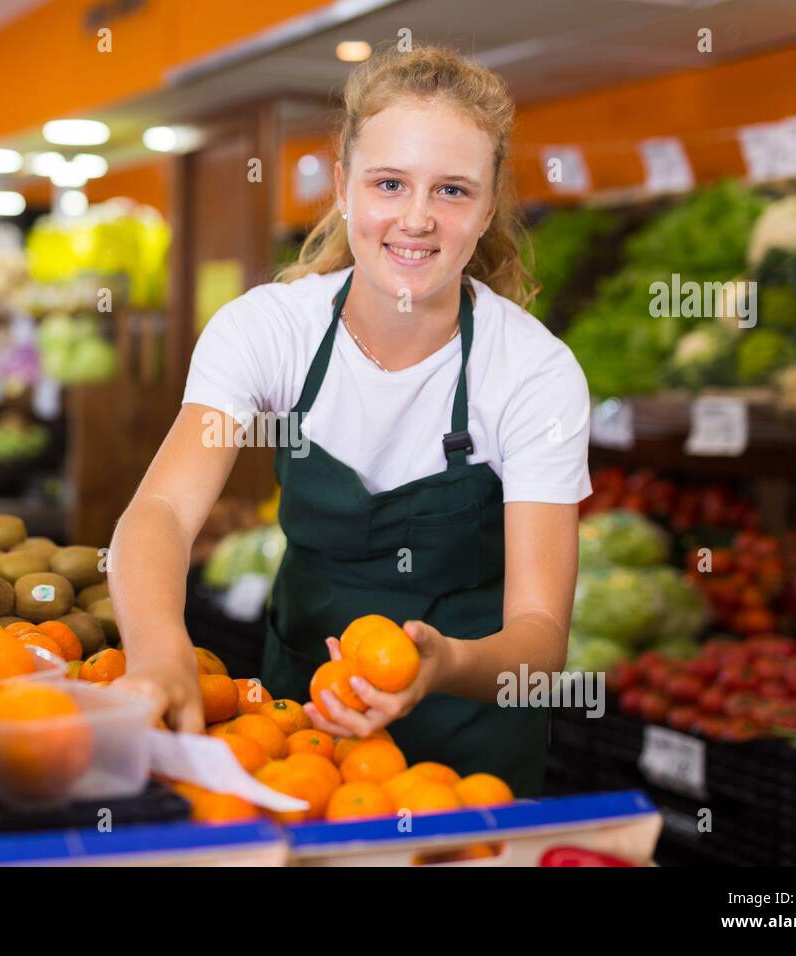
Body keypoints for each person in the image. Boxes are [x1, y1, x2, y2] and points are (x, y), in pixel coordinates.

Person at [110, 46, 592, 797]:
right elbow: (164, 511)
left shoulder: (532, 373)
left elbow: (540, 638)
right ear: (342, 188)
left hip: (469, 750)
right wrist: (159, 645)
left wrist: (445, 666)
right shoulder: (268, 332)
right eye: (389, 183)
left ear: (490, 206)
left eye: (454, 190)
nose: (418, 218)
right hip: (296, 726)